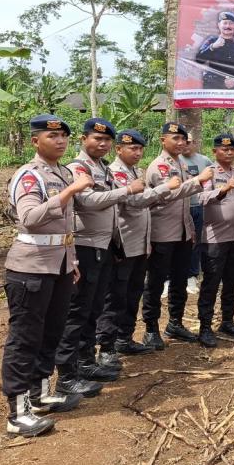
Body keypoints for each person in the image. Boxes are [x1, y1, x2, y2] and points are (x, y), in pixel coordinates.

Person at [2, 114, 94, 437]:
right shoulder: (29, 176)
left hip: (60, 267)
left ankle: (40, 394)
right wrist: (69, 192)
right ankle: (17, 412)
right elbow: (29, 218)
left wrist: (73, 261)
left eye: (63, 136)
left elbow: (67, 226)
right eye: (51, 136)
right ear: (35, 141)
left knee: (51, 333)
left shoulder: (64, 172)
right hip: (30, 268)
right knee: (25, 338)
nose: (60, 141)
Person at [57, 118, 143, 387]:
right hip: (84, 245)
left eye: (106, 140)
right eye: (97, 139)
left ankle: (87, 362)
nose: (102, 143)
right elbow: (87, 202)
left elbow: (111, 207)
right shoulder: (77, 168)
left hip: (103, 247)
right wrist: (125, 190)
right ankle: (69, 374)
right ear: (84, 139)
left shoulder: (103, 169)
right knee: (78, 311)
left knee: (94, 308)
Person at [142, 123, 214, 350]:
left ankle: (175, 322)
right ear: (163, 140)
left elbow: (187, 196)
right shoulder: (160, 166)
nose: (181, 143)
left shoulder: (181, 163)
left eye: (183, 139)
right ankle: (151, 329)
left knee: (180, 280)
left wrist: (190, 228)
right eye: (175, 138)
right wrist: (198, 180)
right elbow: (171, 193)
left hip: (182, 232)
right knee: (155, 282)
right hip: (162, 233)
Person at [108, 130, 179, 356]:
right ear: (119, 149)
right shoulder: (116, 172)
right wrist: (164, 187)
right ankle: (109, 346)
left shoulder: (135, 172)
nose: (137, 153)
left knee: (133, 293)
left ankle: (125, 338)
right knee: (117, 296)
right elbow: (134, 202)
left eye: (140, 149)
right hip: (124, 244)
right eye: (132, 148)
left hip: (139, 244)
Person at [196, 133, 234, 348]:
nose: (228, 152)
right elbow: (201, 198)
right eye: (224, 149)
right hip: (215, 239)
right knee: (211, 283)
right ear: (215, 152)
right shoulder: (209, 173)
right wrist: (223, 189)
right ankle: (205, 327)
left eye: (231, 149)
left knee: (232, 282)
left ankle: (227, 320)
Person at [181, 133, 213, 294]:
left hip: (198, 206)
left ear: (194, 142)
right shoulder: (175, 161)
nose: (185, 144)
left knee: (197, 242)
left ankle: (192, 276)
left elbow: (214, 177)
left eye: (188, 142)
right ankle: (169, 278)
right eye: (182, 141)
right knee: (178, 243)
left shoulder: (204, 160)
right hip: (180, 208)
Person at [195, 10, 234, 90]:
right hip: (213, 85)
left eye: (231, 23)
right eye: (225, 23)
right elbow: (199, 60)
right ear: (219, 25)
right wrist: (212, 47)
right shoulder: (211, 41)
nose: (228, 26)